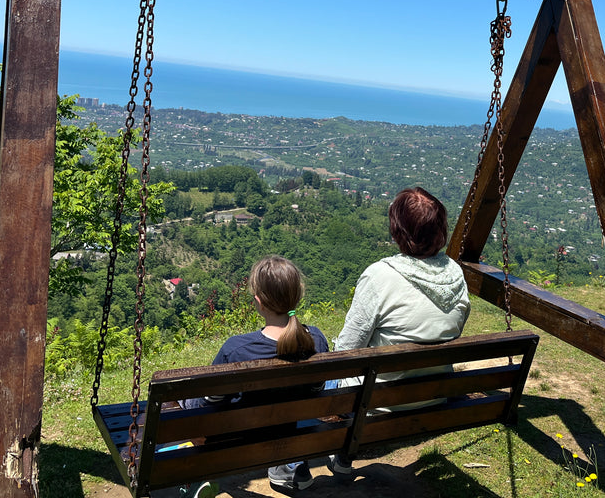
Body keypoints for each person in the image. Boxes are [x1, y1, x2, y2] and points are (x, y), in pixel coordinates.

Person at [331, 186, 471, 473]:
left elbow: (347, 349)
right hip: (434, 394)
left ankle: (342, 454)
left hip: (377, 403)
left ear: (397, 231)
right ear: (440, 230)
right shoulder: (456, 274)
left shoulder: (380, 276)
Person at [185, 255, 328, 495]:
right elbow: (317, 389)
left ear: (258, 302)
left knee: (187, 402)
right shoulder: (317, 339)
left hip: (238, 435)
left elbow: (209, 403)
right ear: (298, 295)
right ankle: (287, 466)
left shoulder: (236, 349)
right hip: (289, 425)